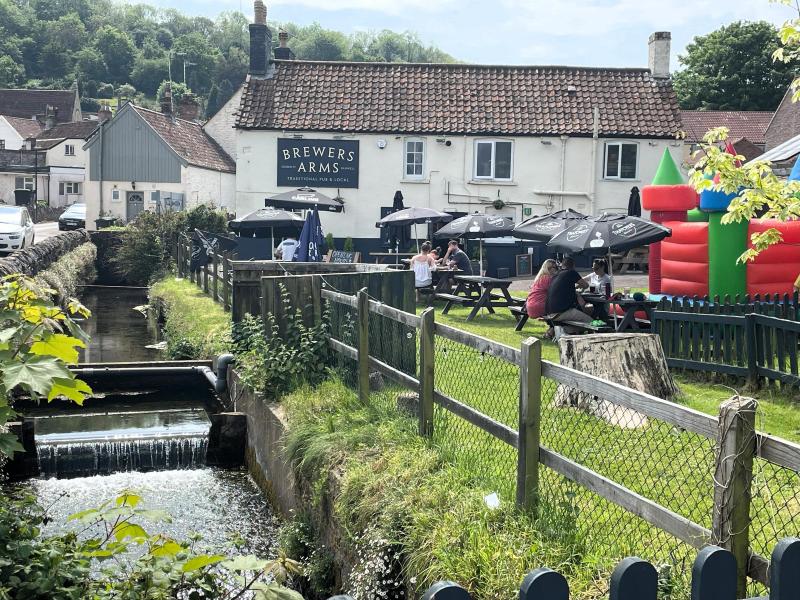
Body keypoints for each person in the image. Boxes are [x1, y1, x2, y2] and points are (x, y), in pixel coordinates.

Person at [545, 256, 591, 338]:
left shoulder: (556, 275)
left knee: (577, 319)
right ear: (573, 266)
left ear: (562, 265)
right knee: (591, 322)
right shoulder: (571, 272)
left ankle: (557, 331)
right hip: (561, 312)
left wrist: (574, 288)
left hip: (549, 312)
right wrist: (577, 287)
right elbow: (585, 285)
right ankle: (563, 331)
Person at [526, 259, 558, 338]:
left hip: (530, 306)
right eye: (554, 267)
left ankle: (552, 330)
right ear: (548, 268)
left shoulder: (539, 278)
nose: (556, 269)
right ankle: (553, 330)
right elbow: (557, 292)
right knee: (562, 310)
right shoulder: (548, 279)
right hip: (539, 306)